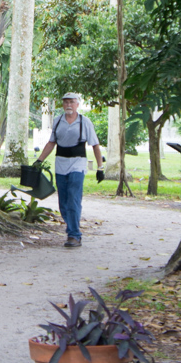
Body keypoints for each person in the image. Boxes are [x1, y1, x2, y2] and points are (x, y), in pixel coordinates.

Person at [34, 92, 104, 248]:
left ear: (77, 104)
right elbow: (51, 143)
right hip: (61, 164)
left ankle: (74, 235)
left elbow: (95, 145)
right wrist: (39, 160)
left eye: (72, 102)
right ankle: (72, 227)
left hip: (78, 164)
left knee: (73, 197)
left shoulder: (84, 122)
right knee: (64, 202)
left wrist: (100, 168)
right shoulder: (58, 121)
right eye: (66, 102)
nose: (68, 105)